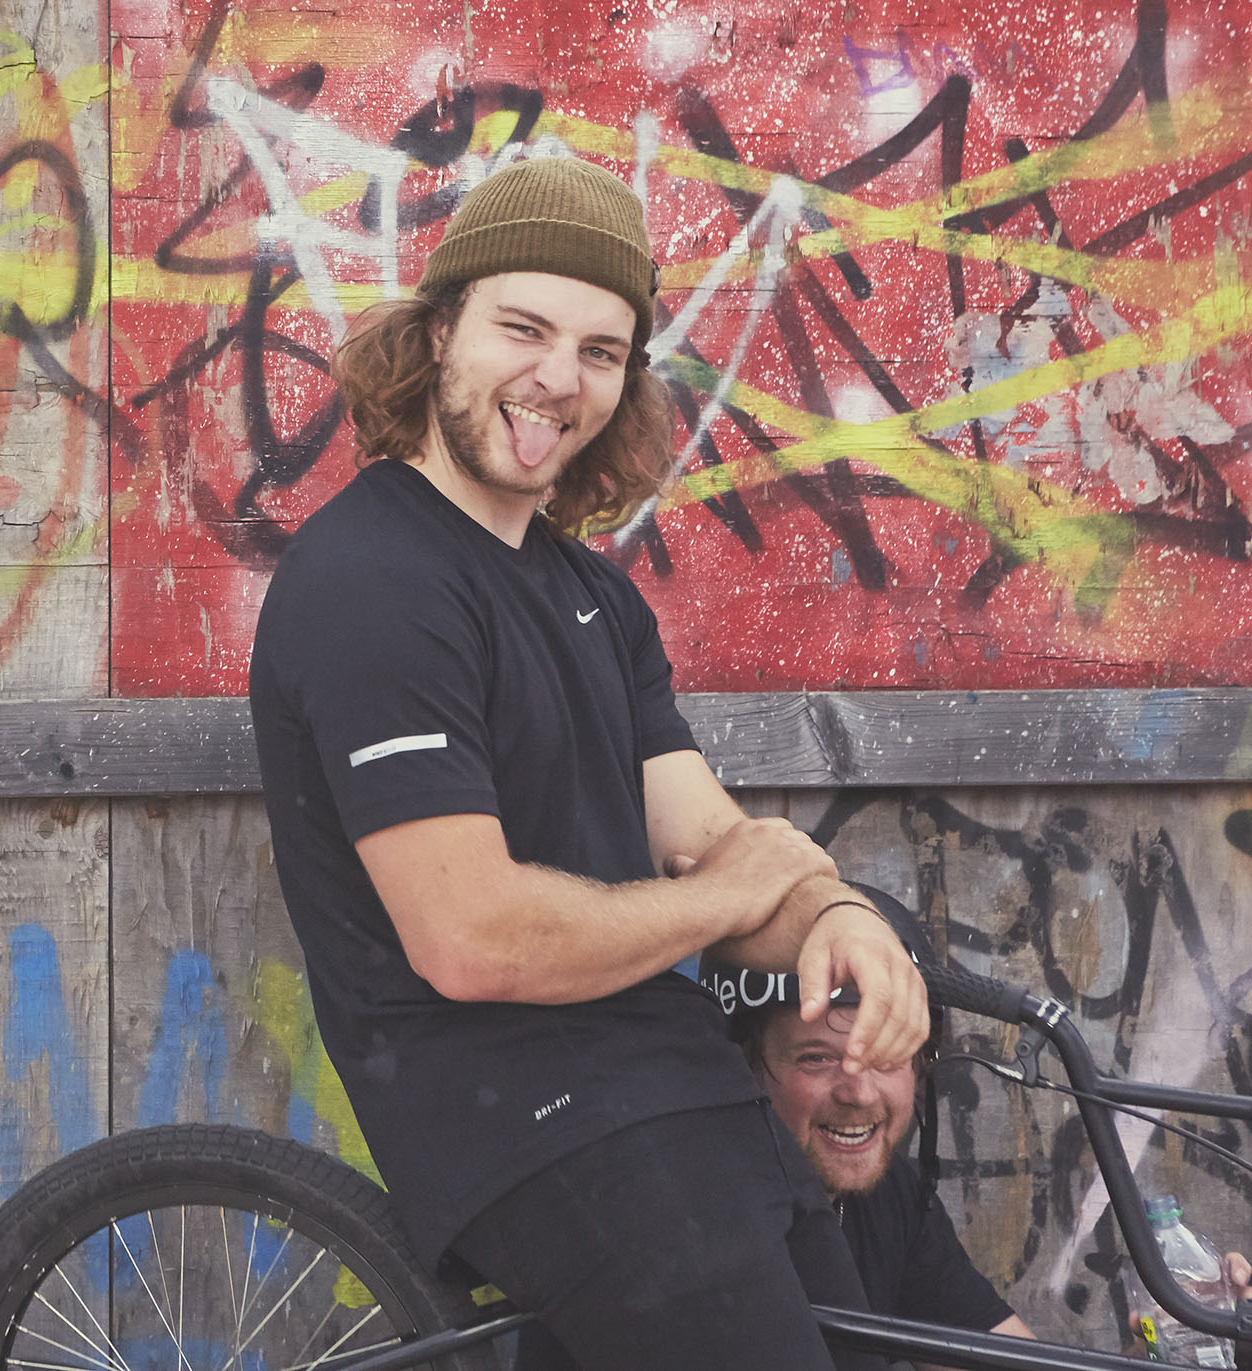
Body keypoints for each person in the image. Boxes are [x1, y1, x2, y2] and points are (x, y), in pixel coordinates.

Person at [248, 152, 928, 1371]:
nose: (559, 378)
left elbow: (710, 839)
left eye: (601, 351)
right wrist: (737, 892)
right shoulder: (374, 583)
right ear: (440, 331)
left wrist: (837, 917)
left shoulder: (594, 599)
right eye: (524, 328)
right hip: (527, 1125)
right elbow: (473, 937)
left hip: (680, 1089)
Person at [702, 891, 1251, 1368]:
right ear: (741, 1067)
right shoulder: (701, 1220)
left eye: (887, 1053)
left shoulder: (890, 1194)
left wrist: (1165, 1352)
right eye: (817, 1059)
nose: (860, 1093)